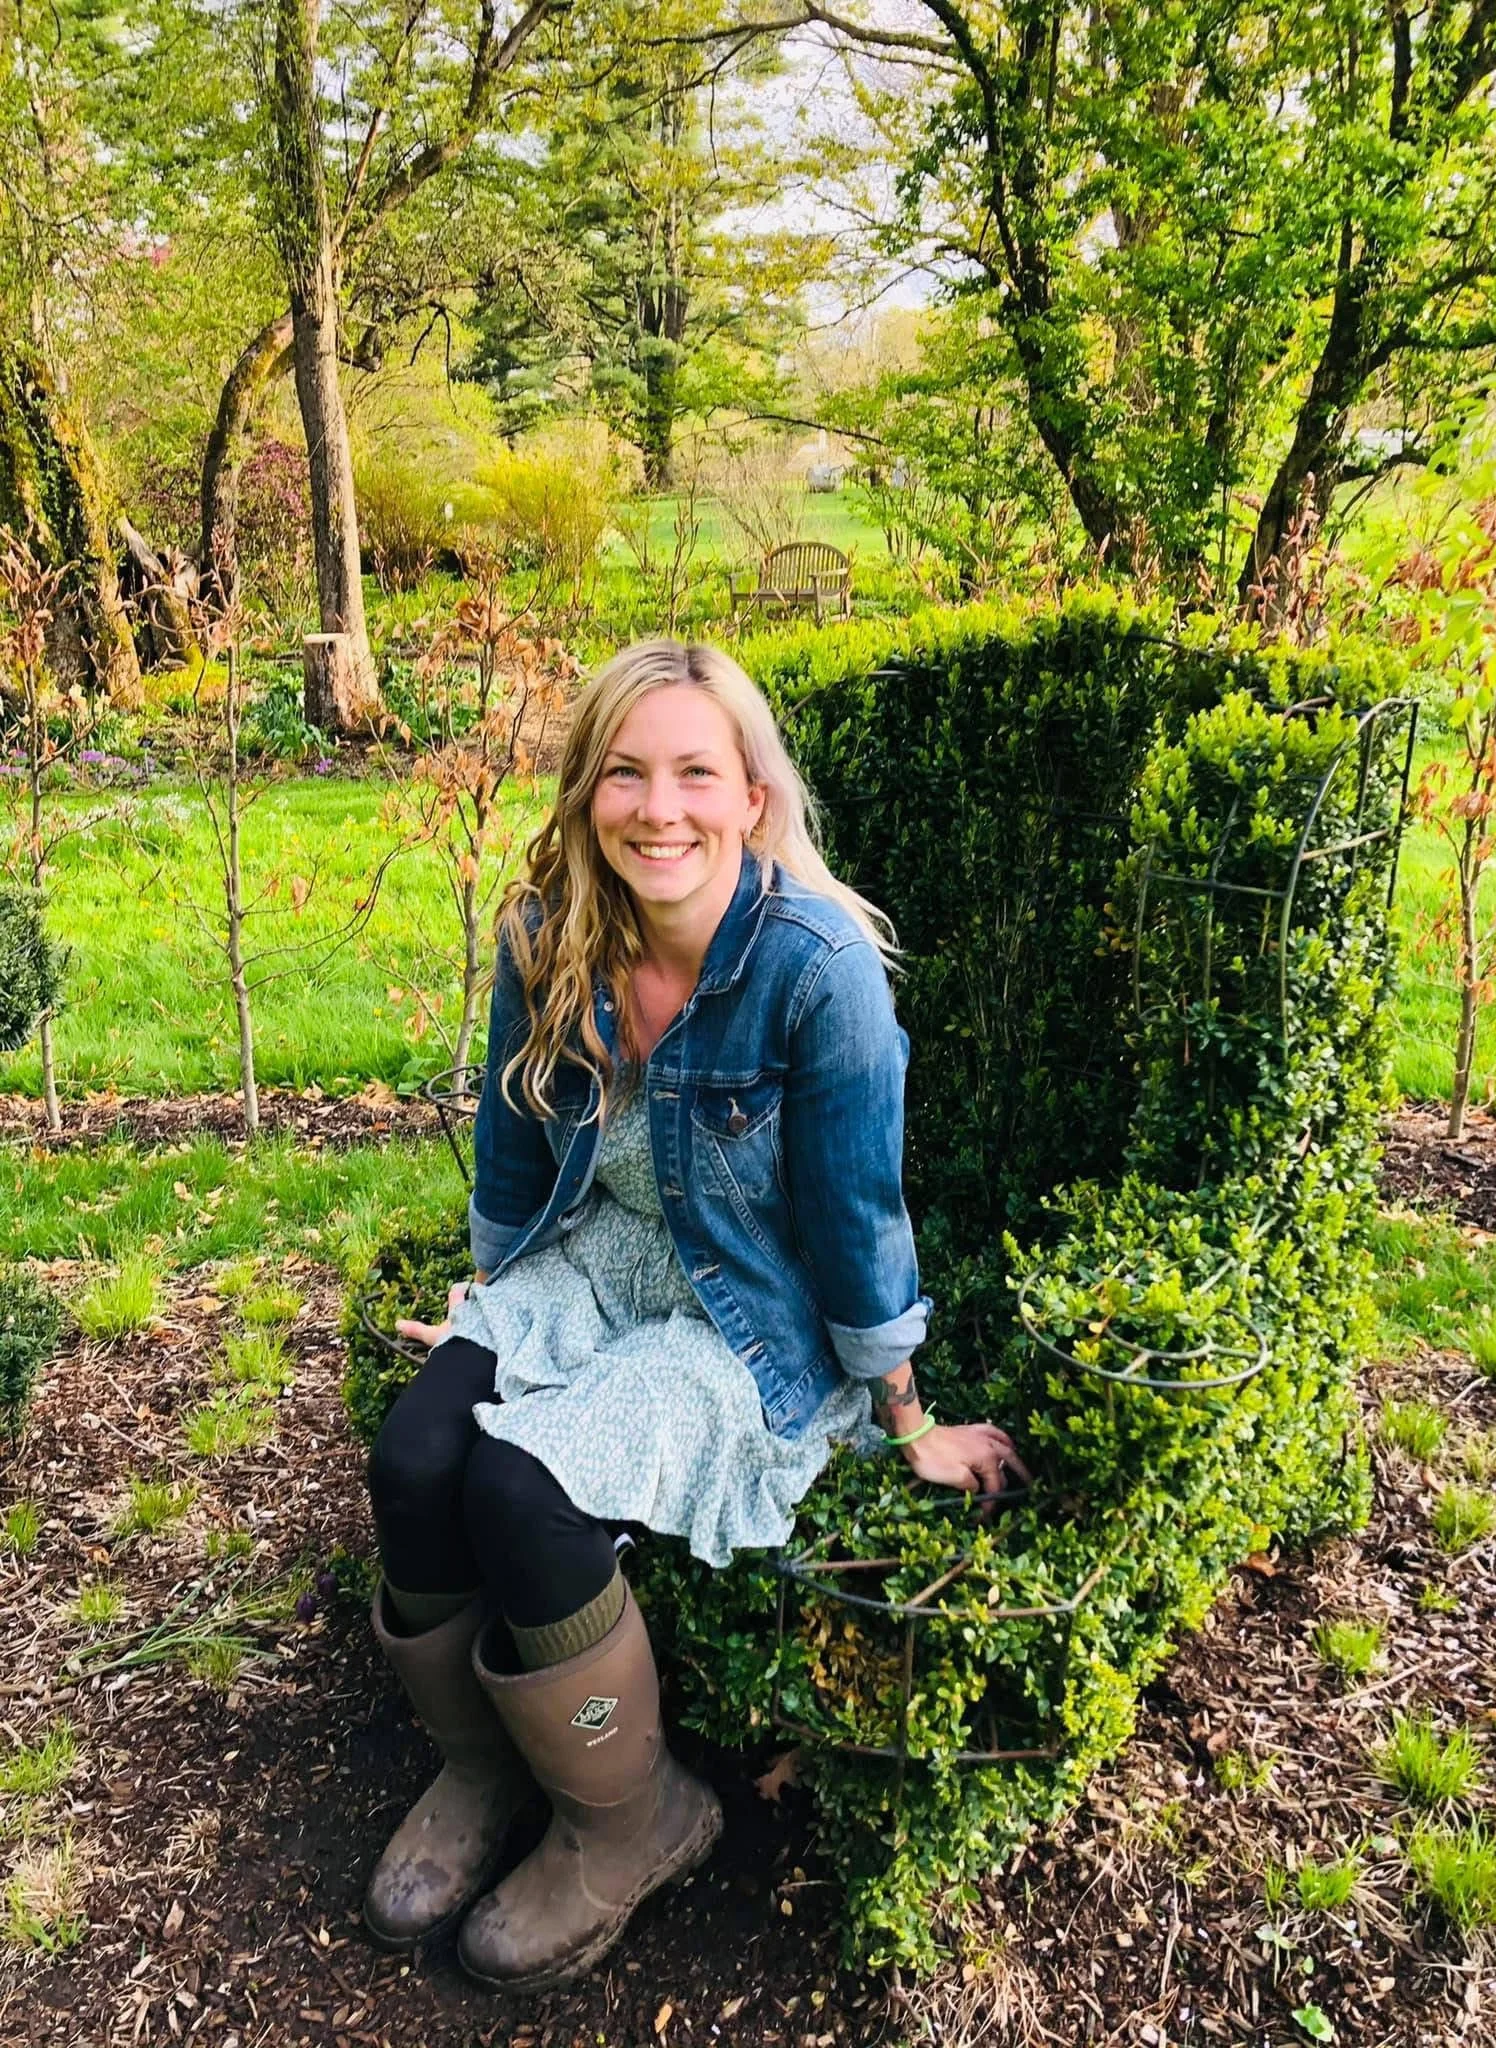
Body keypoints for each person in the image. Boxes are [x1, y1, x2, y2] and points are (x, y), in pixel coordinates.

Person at [362, 639, 1025, 1990]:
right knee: (416, 1457)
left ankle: (630, 1822)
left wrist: (909, 1415)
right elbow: (510, 1149)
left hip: (748, 1316)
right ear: (586, 792)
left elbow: (855, 1213)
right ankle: (483, 1771)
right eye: (625, 773)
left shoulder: (815, 969)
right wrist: (489, 1297)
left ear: (752, 799)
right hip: (592, 1262)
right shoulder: (545, 935)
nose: (659, 808)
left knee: (521, 1491)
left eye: (694, 774)